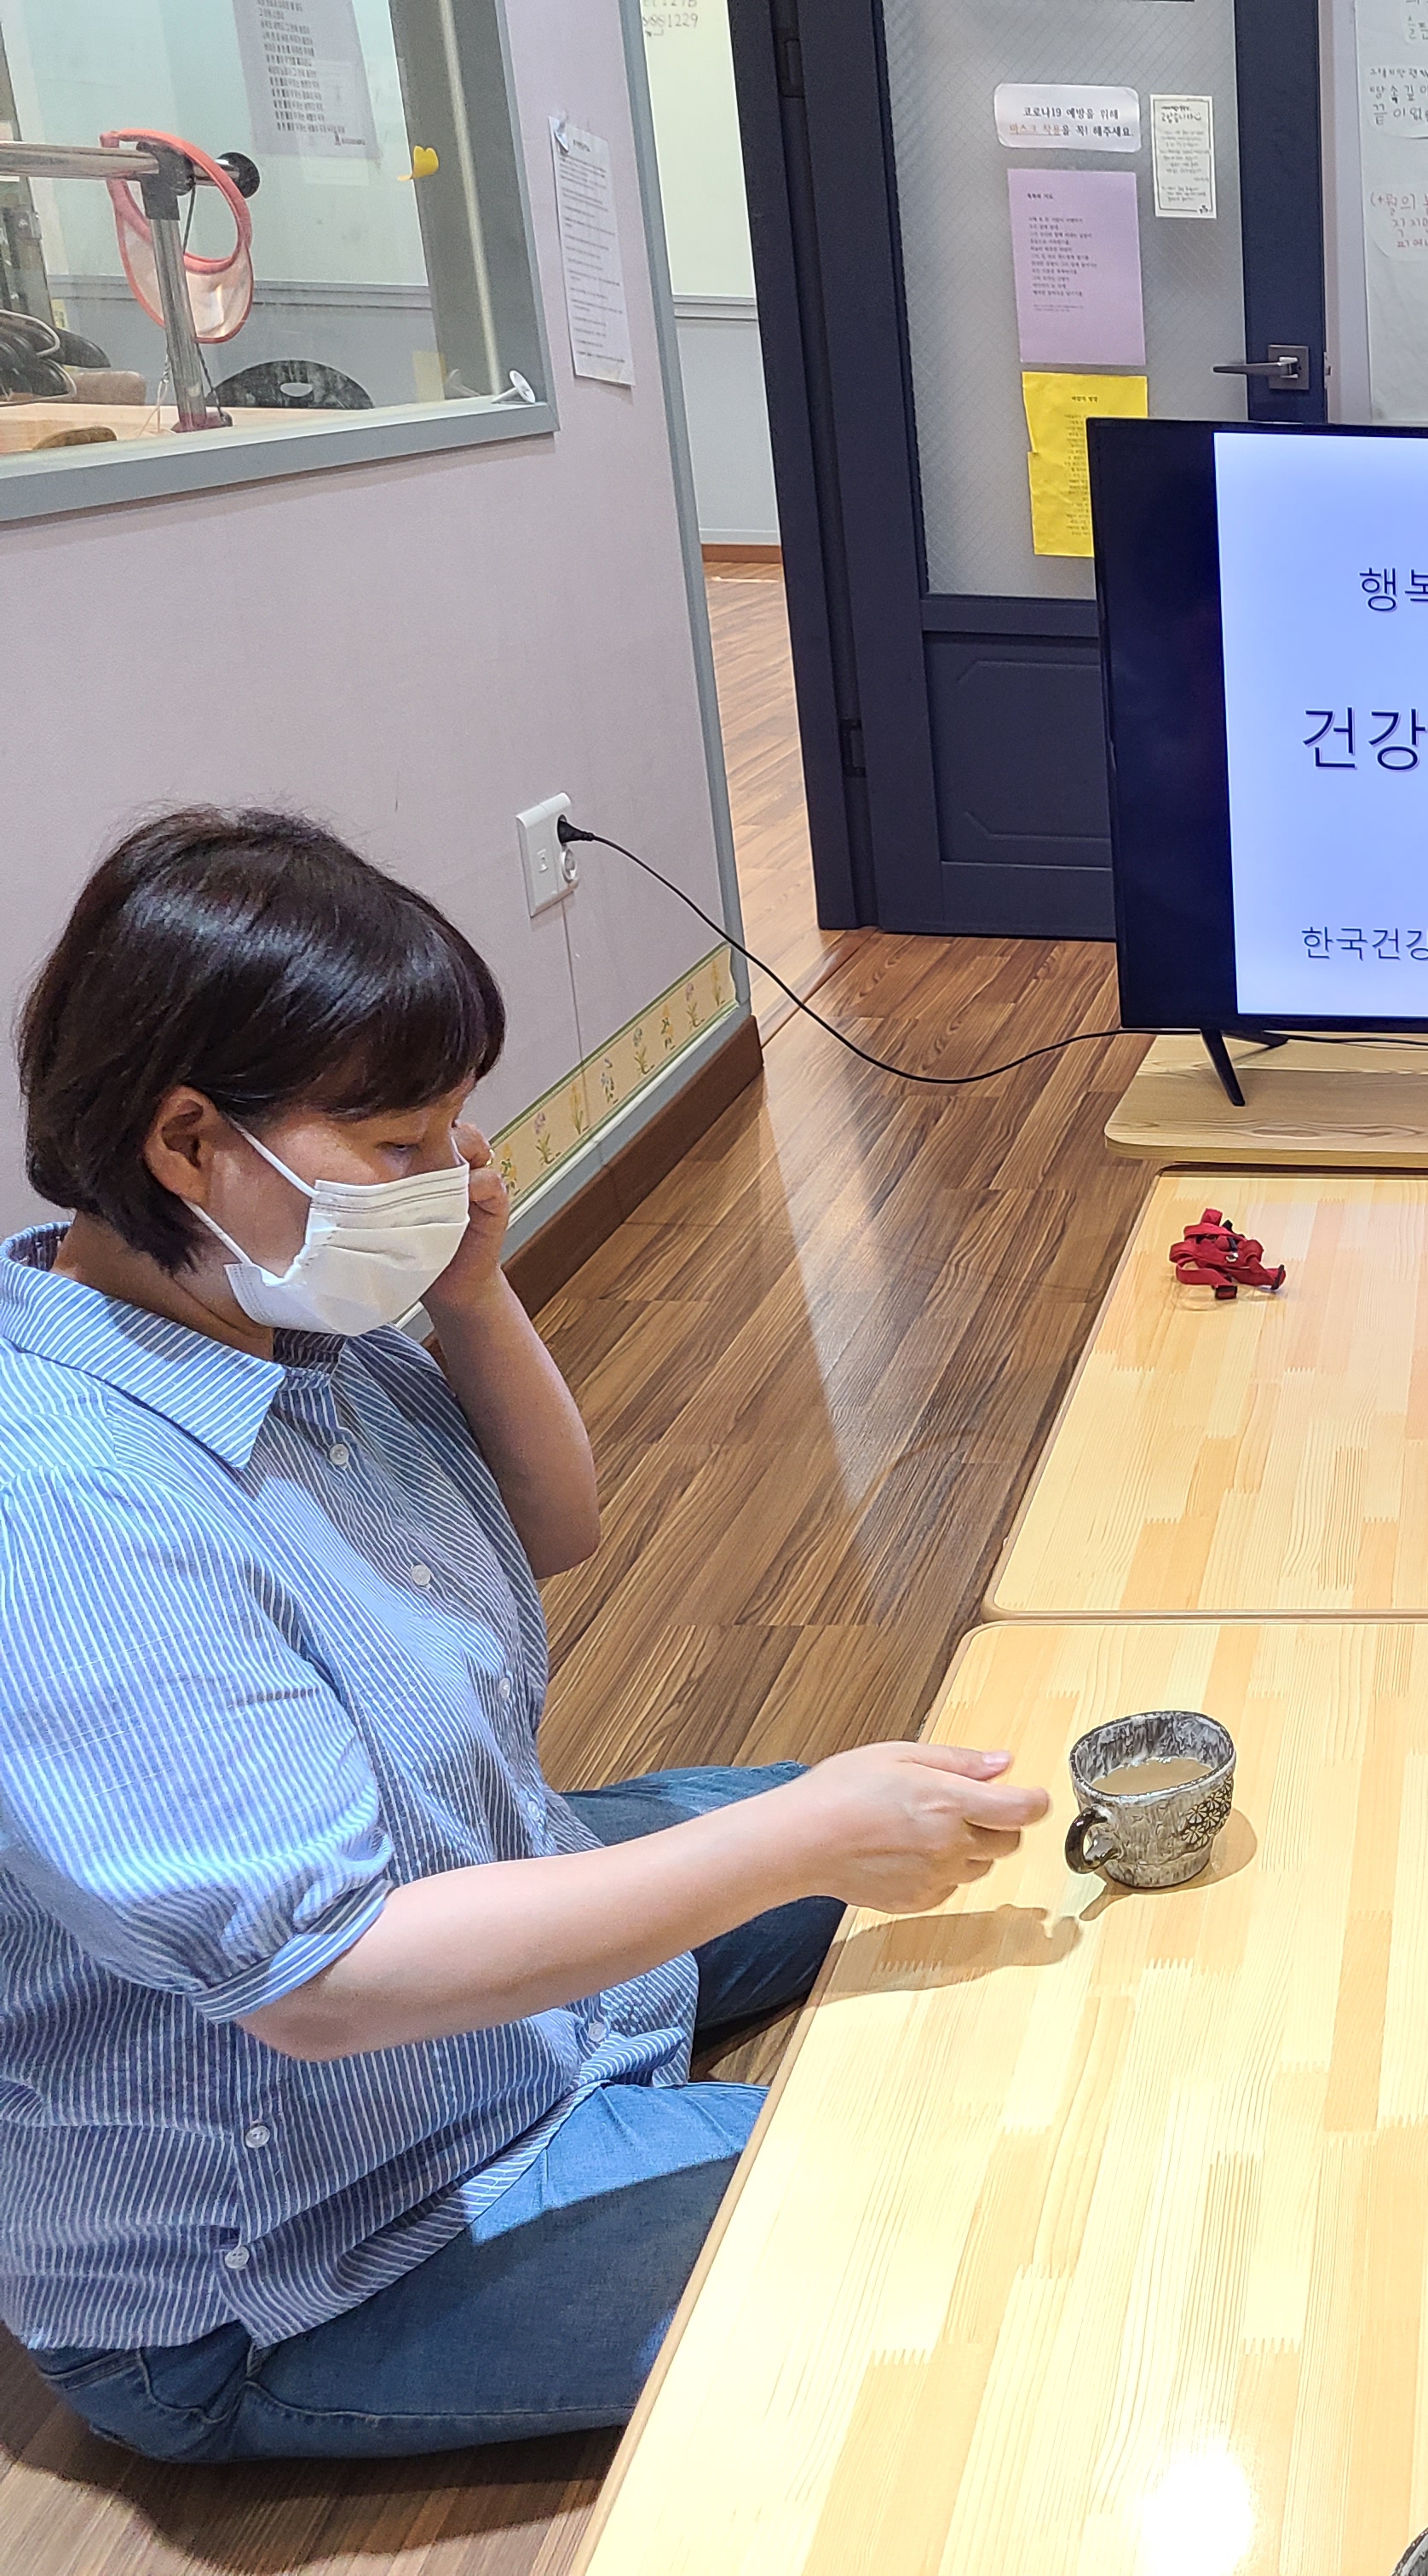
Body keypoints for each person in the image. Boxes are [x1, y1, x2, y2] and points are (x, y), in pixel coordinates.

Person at [0, 809, 1051, 2463]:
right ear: (188, 1140)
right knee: (985, 2195)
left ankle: (658, 2005)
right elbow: (327, 1979)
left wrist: (471, 1288)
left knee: (933, 1810)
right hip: (320, 2240)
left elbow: (554, 1527)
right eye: (400, 1143)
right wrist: (801, 1838)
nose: (453, 1174)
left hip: (485, 1952)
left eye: (453, 1131)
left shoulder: (256, 1305)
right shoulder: (69, 1505)